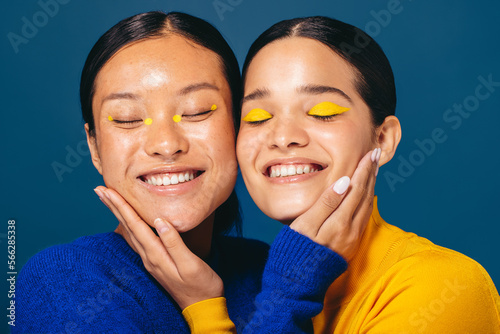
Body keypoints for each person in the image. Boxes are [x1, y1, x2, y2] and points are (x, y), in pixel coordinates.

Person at [103, 16, 500, 333]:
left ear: (384, 138)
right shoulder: (260, 279)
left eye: (322, 112)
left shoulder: (443, 286)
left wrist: (206, 314)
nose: (283, 137)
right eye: (257, 117)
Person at [15, 11, 271, 333]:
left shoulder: (269, 270)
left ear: (239, 125)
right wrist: (206, 311)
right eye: (126, 118)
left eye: (196, 111)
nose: (166, 144)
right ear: (94, 148)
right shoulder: (62, 281)